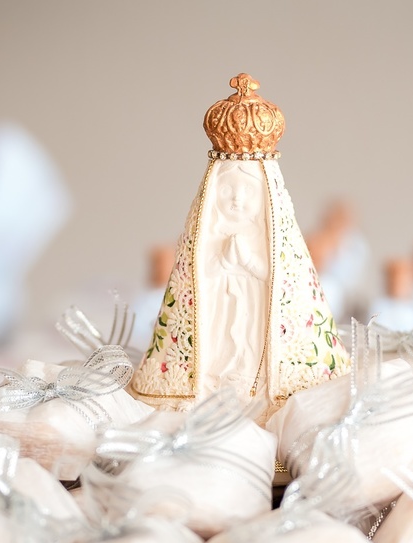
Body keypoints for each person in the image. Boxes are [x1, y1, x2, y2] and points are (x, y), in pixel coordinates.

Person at [131, 74, 349, 419]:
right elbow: (198, 276)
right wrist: (219, 264)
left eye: (245, 192)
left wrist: (246, 260)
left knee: (248, 344)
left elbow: (279, 278)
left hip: (255, 308)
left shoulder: (270, 232)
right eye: (228, 191)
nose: (235, 200)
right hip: (220, 307)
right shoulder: (210, 230)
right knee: (222, 344)